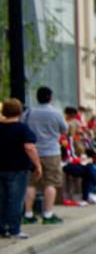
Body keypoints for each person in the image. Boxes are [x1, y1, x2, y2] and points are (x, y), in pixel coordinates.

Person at [22, 86, 69, 225]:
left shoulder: (28, 113)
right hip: (51, 152)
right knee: (51, 183)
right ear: (50, 97)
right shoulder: (56, 113)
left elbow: (22, 127)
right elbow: (64, 130)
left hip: (32, 151)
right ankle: (48, 214)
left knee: (30, 183)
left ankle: (28, 213)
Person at [1, 99, 42, 239]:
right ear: (19, 112)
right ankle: (14, 229)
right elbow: (29, 147)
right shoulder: (22, 128)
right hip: (18, 168)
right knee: (16, 199)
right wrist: (37, 164)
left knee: (2, 199)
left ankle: (2, 227)